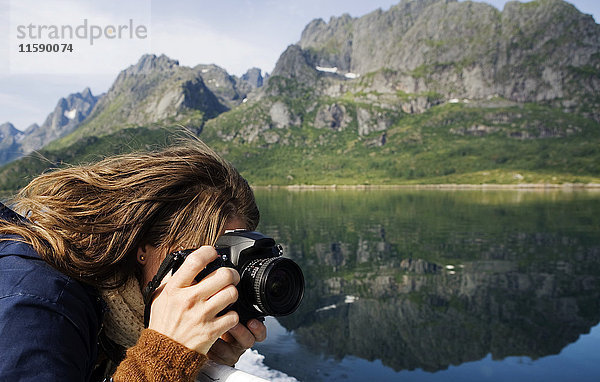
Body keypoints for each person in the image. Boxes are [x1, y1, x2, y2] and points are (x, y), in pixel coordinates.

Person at [0, 141, 267, 381]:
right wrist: (164, 357)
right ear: (143, 247)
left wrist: (198, 365)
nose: (218, 283)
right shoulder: (40, 306)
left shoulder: (115, 308)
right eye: (205, 262)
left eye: (229, 262)